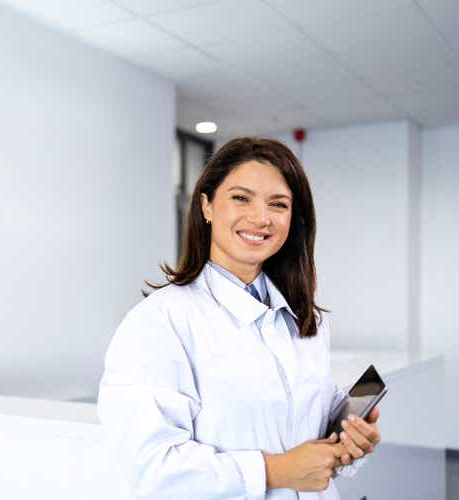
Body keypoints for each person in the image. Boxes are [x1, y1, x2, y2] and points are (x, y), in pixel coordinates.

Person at [97, 137, 382, 499]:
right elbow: (148, 466)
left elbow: (302, 429)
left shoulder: (305, 320)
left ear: (293, 219)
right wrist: (275, 471)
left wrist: (347, 441)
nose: (260, 218)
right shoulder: (159, 321)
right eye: (241, 198)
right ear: (206, 205)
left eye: (278, 204)